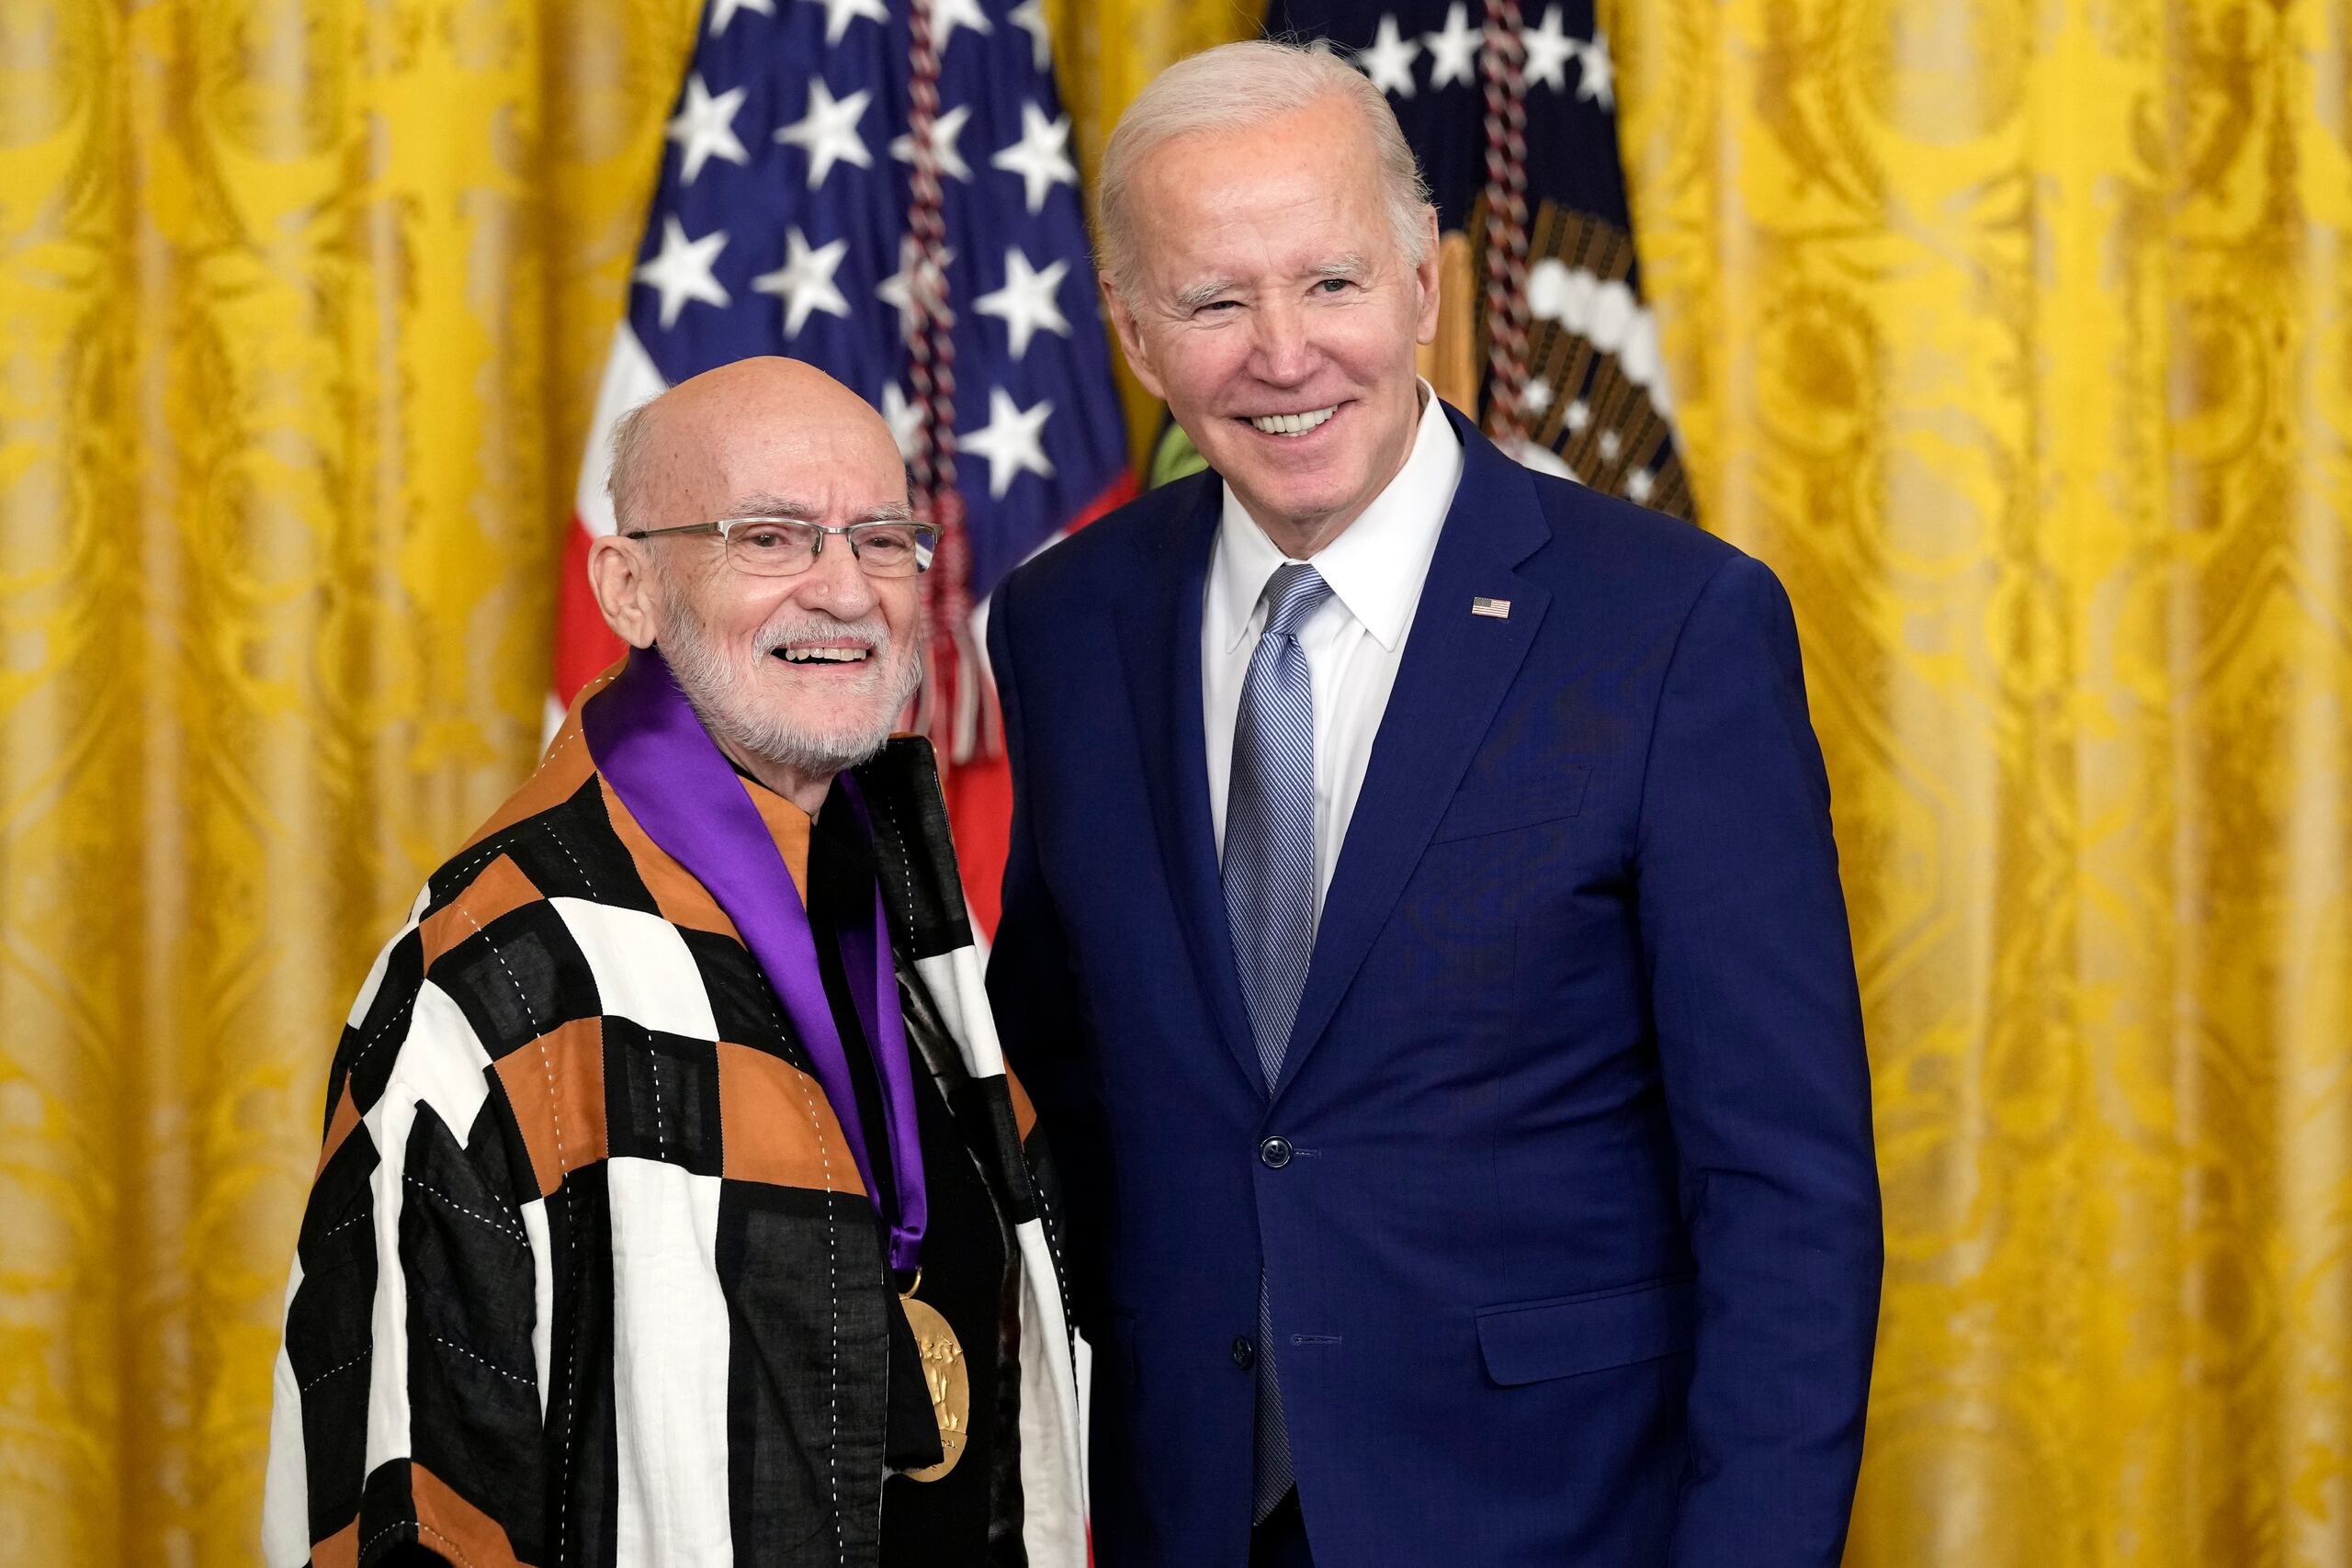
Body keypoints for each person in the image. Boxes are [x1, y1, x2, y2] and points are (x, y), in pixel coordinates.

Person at [985, 40, 1883, 1568]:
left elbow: (1783, 1188)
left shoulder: (1672, 627)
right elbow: (1067, 1097)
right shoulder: (1065, 624)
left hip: (1557, 1515)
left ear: (1423, 283)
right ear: (1134, 337)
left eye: (1331, 283)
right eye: (1214, 301)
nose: (1283, 355)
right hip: (1177, 1508)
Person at [261, 358, 1085, 1568]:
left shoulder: (914, 929)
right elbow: (403, 1503)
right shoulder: (496, 976)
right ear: (631, 586)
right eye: (771, 538)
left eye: (883, 539)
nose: (846, 590)